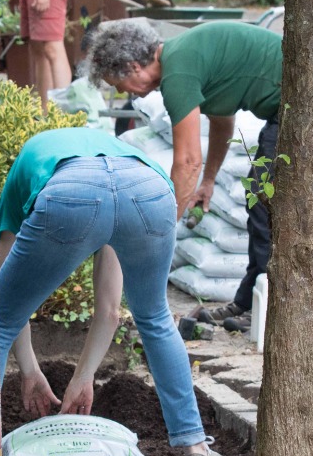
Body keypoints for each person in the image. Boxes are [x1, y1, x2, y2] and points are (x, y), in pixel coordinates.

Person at [0, 128, 218, 456]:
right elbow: (110, 310)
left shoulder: (30, 162)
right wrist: (84, 375)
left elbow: (0, 310)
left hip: (72, 195)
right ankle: (195, 446)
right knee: (154, 316)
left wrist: (30, 370)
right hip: (150, 193)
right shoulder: (118, 154)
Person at [87, 19, 283, 334]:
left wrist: (163, 229)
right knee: (258, 200)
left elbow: (187, 160)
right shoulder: (183, 60)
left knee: (264, 205)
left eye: (117, 83)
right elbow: (221, 122)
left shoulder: (177, 73)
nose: (121, 91)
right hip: (285, 103)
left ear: (134, 66)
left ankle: (267, 309)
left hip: (299, 101)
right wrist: (208, 182)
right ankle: (248, 301)